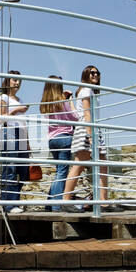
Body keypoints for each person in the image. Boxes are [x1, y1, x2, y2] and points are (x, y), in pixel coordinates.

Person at [62, 65, 111, 209]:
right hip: (87, 129)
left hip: (91, 128)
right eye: (92, 73)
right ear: (86, 75)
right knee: (79, 164)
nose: (95, 75)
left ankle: (103, 202)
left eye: (97, 73)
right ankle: (65, 200)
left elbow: (76, 112)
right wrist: (91, 135)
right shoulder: (86, 89)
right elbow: (87, 113)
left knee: (102, 165)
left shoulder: (87, 90)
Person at [40, 75, 80, 208]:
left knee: (59, 172)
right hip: (64, 137)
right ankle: (57, 206)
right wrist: (71, 101)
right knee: (62, 172)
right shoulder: (63, 102)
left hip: (52, 140)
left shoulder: (46, 103)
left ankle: (49, 205)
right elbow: (75, 117)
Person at [0, 70, 30, 213]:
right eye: (14, 80)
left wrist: (28, 142)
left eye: (18, 80)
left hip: (21, 135)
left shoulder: (19, 99)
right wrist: (16, 111)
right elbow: (0, 118)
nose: (17, 82)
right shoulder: (3, 97)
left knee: (22, 171)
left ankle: (14, 201)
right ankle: (8, 204)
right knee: (10, 169)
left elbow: (23, 123)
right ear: (7, 82)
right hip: (9, 133)